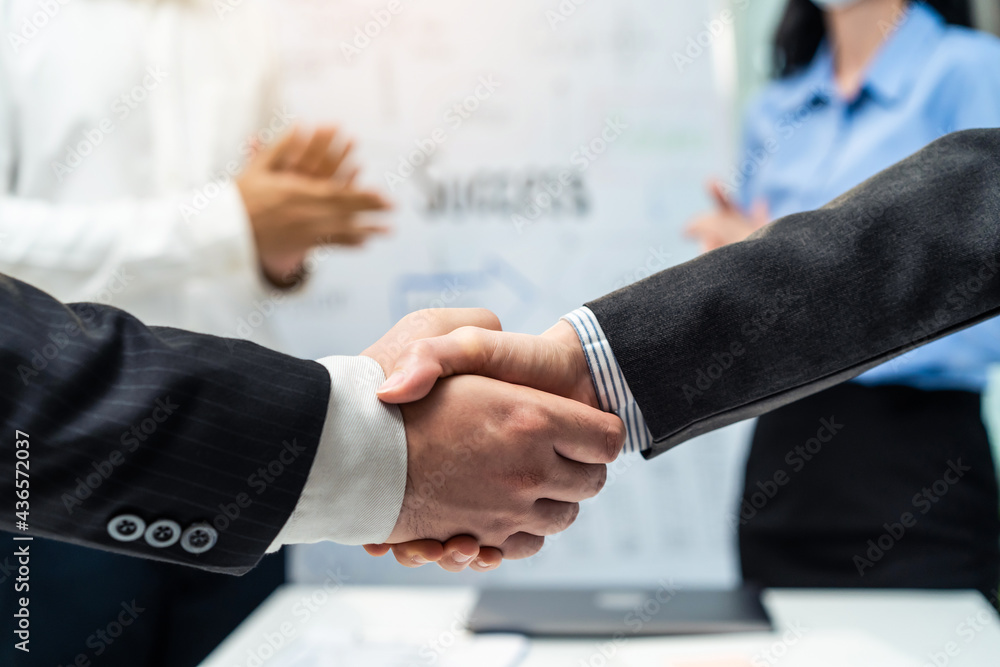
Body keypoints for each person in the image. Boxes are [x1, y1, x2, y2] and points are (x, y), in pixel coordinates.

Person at [371, 129, 1000, 587]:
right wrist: (593, 367)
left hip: (915, 456)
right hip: (784, 454)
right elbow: (853, 249)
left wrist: (370, 460)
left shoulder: (963, 67)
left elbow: (931, 236)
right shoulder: (785, 99)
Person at [0, 1, 390, 664]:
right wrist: (228, 223)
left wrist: (279, 251)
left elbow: (245, 233)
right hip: (63, 462)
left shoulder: (245, 24)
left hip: (240, 451)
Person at [684, 0, 1000, 598]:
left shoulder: (972, 71)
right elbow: (754, 318)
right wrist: (731, 277)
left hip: (918, 471)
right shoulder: (773, 109)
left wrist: (779, 279)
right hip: (782, 473)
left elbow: (987, 310)